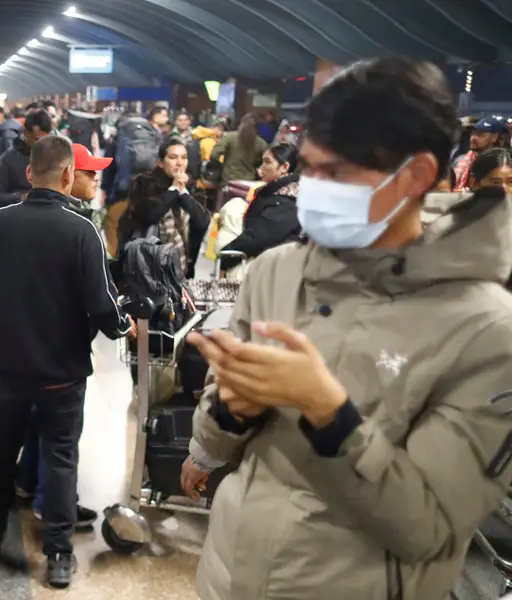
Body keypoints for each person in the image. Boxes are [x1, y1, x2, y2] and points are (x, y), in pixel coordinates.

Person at [182, 56, 512, 600]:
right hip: (231, 579)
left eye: (336, 173)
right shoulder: (277, 272)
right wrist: (227, 411)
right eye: (309, 167)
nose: (311, 188)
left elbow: (427, 528)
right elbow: (220, 424)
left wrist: (327, 413)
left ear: (416, 176)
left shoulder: (487, 334)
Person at [0, 136, 131, 589]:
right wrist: (122, 327)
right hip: (63, 372)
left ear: (28, 174)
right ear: (68, 175)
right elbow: (102, 304)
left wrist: (7, 332)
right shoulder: (83, 230)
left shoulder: (0, 223)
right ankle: (59, 555)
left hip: (8, 365)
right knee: (61, 458)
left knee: (2, 452)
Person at [118, 140, 211, 276]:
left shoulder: (192, 187)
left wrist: (184, 193)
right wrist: (173, 190)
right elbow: (150, 216)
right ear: (161, 162)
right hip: (146, 265)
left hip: (182, 266)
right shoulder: (144, 183)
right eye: (173, 158)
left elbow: (202, 221)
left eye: (184, 158)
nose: (180, 163)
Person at [216, 143, 302, 277]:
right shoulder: (273, 192)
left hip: (270, 273)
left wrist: (226, 257)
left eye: (267, 162)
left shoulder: (287, 201)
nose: (261, 168)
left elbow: (258, 237)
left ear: (284, 167)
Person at [0, 108, 52, 244]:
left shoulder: (55, 156)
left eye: (46, 138)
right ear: (26, 133)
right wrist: (21, 197)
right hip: (18, 221)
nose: (43, 144)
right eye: (38, 139)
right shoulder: (10, 159)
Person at [208, 114, 267, 186]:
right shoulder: (262, 143)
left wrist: (219, 166)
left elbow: (214, 155)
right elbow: (265, 162)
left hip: (228, 180)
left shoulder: (229, 137)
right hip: (249, 183)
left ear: (241, 123)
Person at [453, 115, 509, 191]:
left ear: (494, 137)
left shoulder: (505, 161)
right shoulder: (462, 160)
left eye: (480, 135)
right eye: (473, 134)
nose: (473, 138)